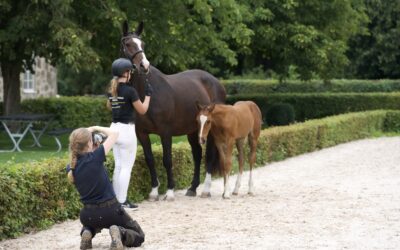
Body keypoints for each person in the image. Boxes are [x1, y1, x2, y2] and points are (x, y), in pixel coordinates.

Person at [67, 126, 145, 250]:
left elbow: (87, 164)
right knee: (139, 235)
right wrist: (94, 128)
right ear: (89, 143)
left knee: (94, 223)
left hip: (87, 215)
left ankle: (87, 231)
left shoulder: (71, 166)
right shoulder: (96, 157)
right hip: (110, 211)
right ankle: (120, 233)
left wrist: (92, 148)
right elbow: (114, 134)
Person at [107, 58, 152, 209]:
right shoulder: (130, 91)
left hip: (113, 129)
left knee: (119, 166)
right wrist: (148, 96)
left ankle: (115, 200)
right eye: (130, 72)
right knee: (126, 167)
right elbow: (143, 110)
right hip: (126, 130)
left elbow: (110, 107)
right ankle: (122, 200)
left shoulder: (111, 90)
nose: (131, 74)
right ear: (125, 73)